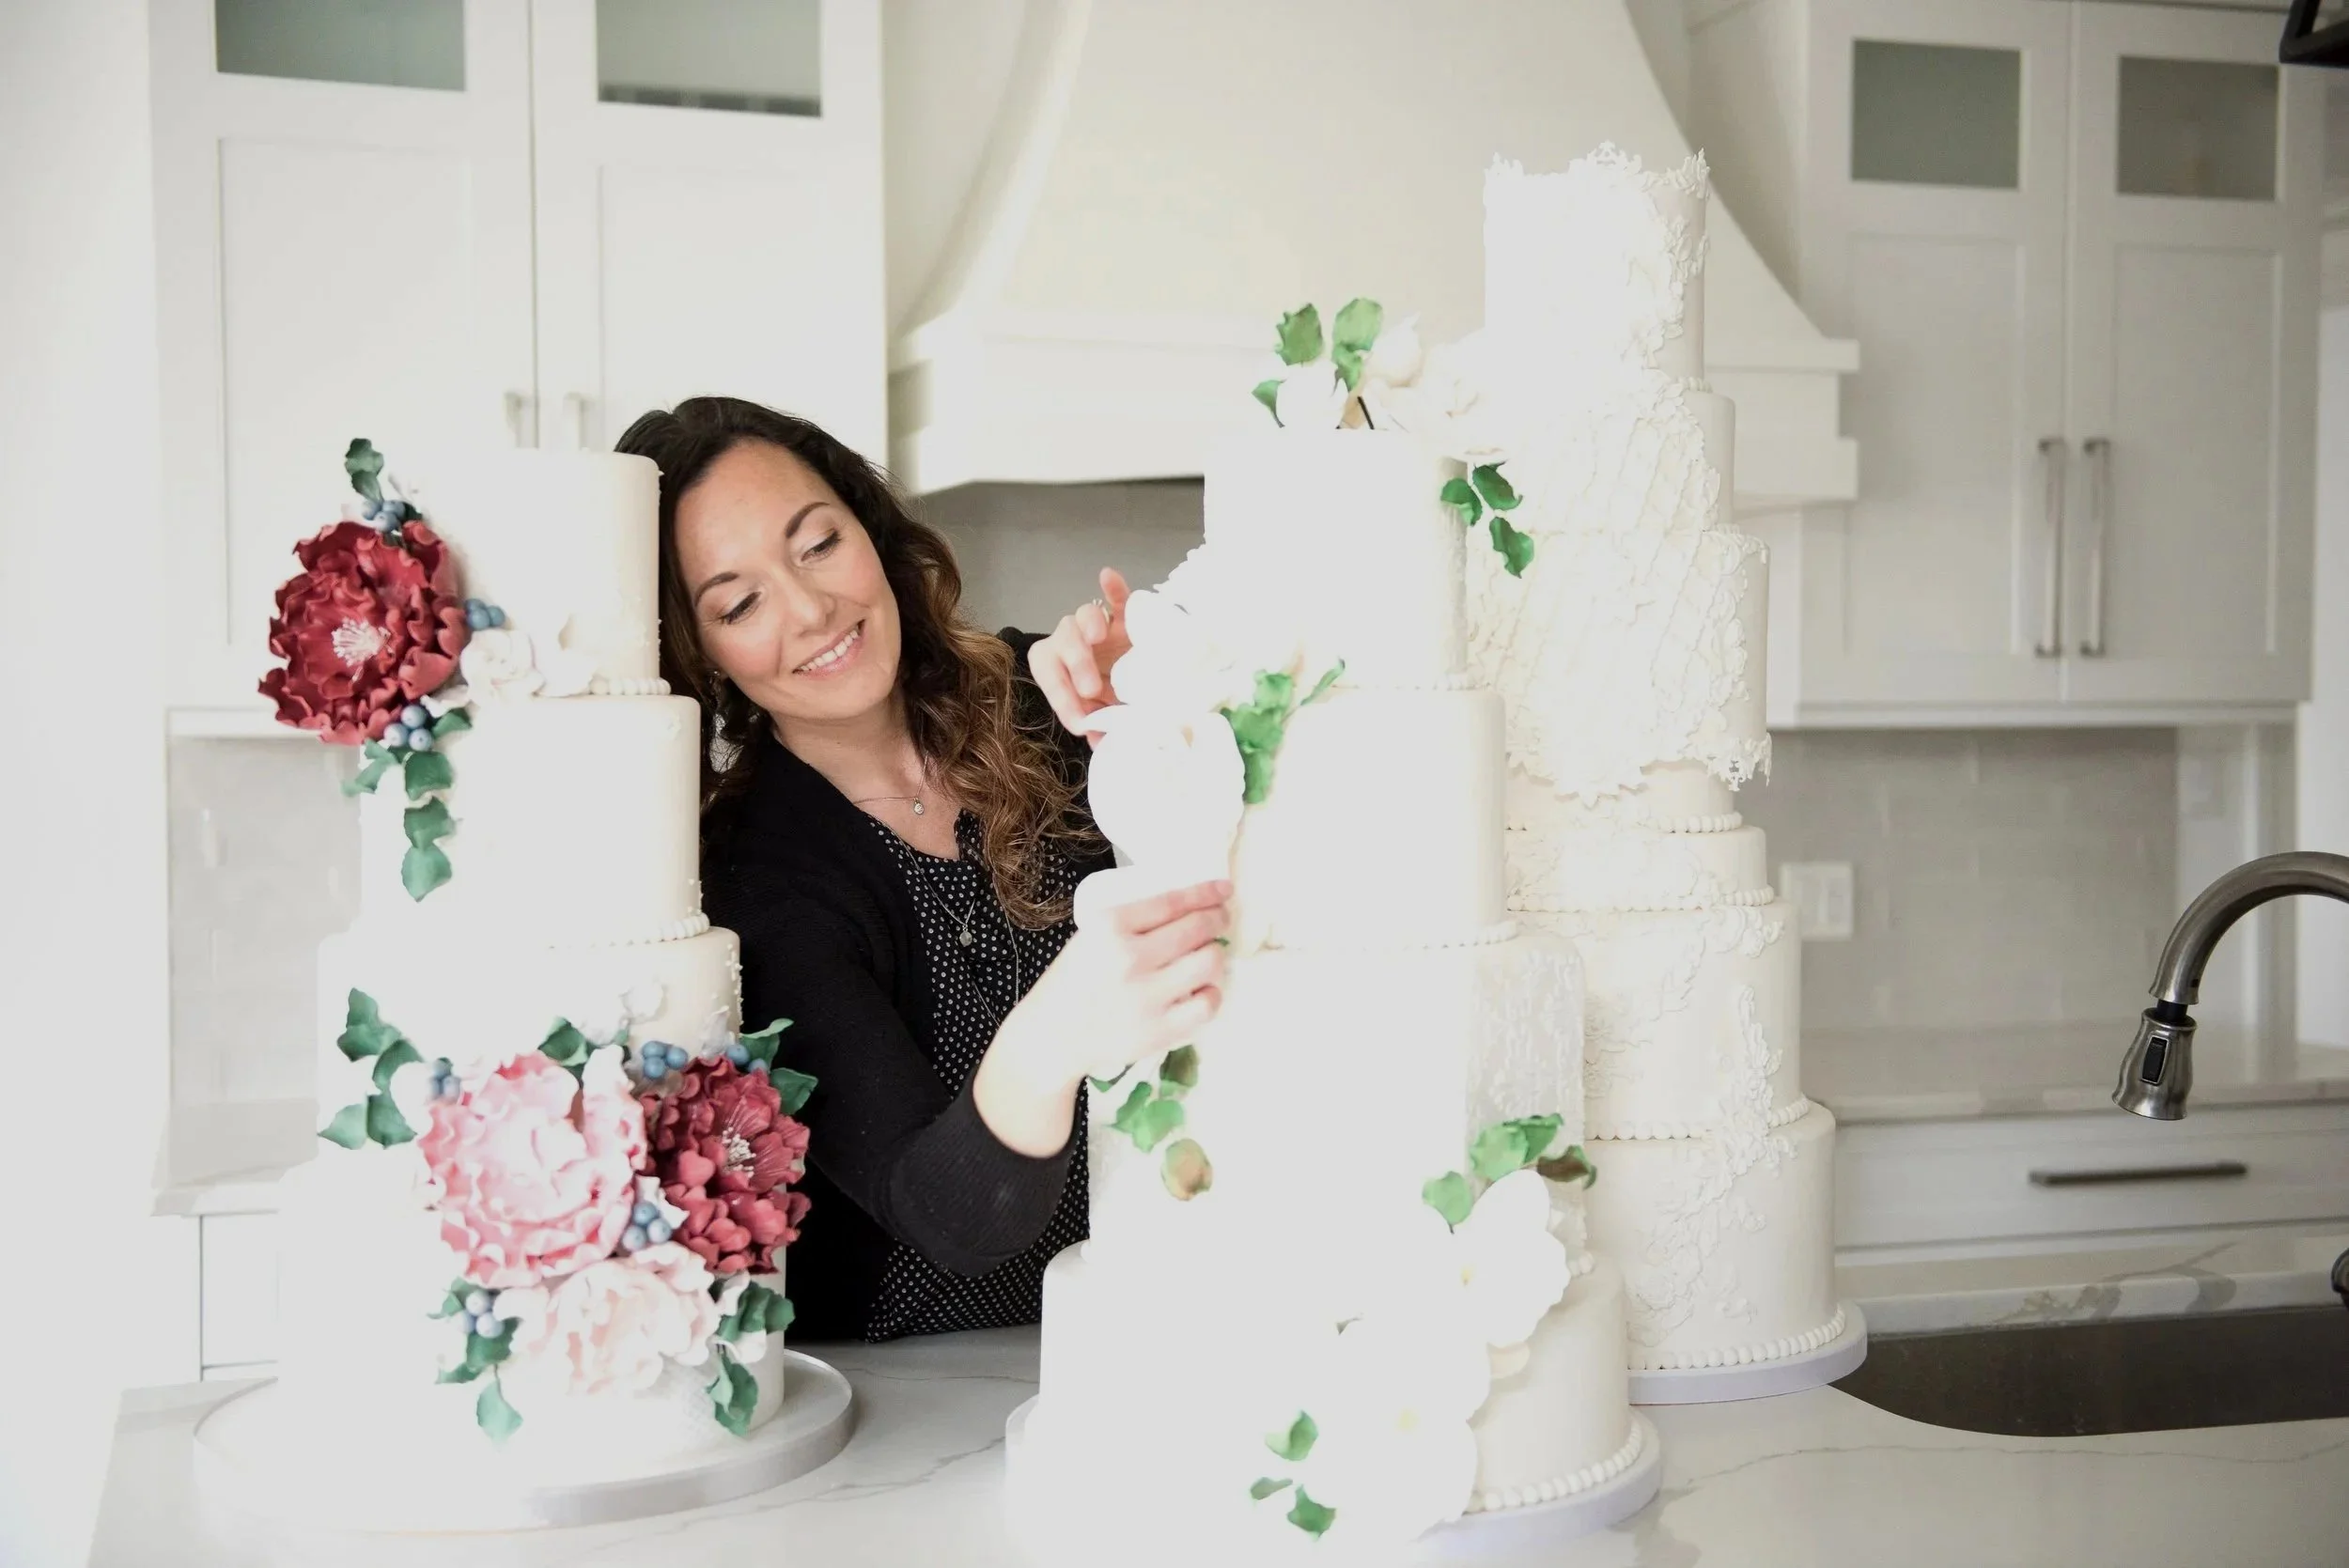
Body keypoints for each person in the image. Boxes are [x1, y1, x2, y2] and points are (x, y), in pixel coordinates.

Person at [614, 396, 1229, 1342]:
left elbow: (1258, 885)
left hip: (1153, 1316)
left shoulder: (1045, 700)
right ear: (700, 653)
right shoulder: (755, 878)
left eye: (817, 543)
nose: (812, 608)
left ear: (869, 523)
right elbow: (947, 1214)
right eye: (740, 602)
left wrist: (1171, 713)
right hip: (917, 1386)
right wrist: (1055, 1036)